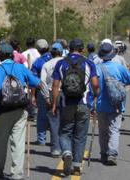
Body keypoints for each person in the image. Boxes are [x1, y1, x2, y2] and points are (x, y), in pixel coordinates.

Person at [0, 43, 46, 180]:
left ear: (0, 55)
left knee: (0, 141)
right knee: (18, 142)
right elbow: (36, 83)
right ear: (13, 55)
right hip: (20, 109)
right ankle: (17, 174)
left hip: (2, 110)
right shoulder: (20, 68)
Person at [52, 38, 99, 176]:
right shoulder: (89, 63)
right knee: (80, 134)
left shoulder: (61, 63)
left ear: (70, 48)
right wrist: (96, 94)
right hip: (83, 104)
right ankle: (77, 166)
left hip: (66, 103)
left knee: (65, 131)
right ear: (82, 49)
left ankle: (66, 152)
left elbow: (55, 86)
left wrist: (54, 104)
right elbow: (95, 84)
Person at [95, 43, 130, 166]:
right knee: (114, 129)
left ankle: (103, 153)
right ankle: (112, 154)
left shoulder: (97, 68)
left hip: (101, 105)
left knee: (102, 130)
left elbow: (92, 86)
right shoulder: (119, 68)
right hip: (116, 104)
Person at [40, 42, 64, 157]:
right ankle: (66, 148)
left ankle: (55, 149)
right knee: (66, 122)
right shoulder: (66, 63)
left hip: (51, 92)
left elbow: (42, 82)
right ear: (61, 51)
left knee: (54, 122)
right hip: (65, 94)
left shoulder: (47, 64)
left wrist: (46, 97)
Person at [31, 39, 52, 146]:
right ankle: (55, 140)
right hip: (56, 91)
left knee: (42, 115)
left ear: (38, 50)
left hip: (42, 91)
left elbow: (34, 81)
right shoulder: (55, 58)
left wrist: (32, 96)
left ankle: (42, 139)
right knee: (55, 115)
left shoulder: (37, 62)